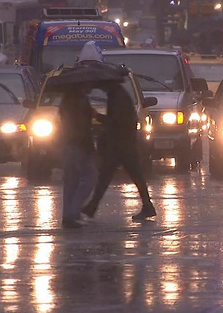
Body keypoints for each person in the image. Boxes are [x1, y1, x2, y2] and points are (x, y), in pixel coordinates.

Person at [81, 78, 157, 221]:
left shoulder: (118, 97)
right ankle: (93, 206)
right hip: (123, 143)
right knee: (125, 175)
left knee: (107, 175)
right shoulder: (117, 95)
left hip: (120, 144)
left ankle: (92, 206)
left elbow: (117, 121)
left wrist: (97, 116)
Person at [58, 82, 97, 229]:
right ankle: (73, 213)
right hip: (79, 144)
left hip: (67, 143)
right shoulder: (80, 101)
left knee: (71, 181)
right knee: (89, 178)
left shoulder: (66, 101)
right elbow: (81, 127)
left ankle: (68, 215)